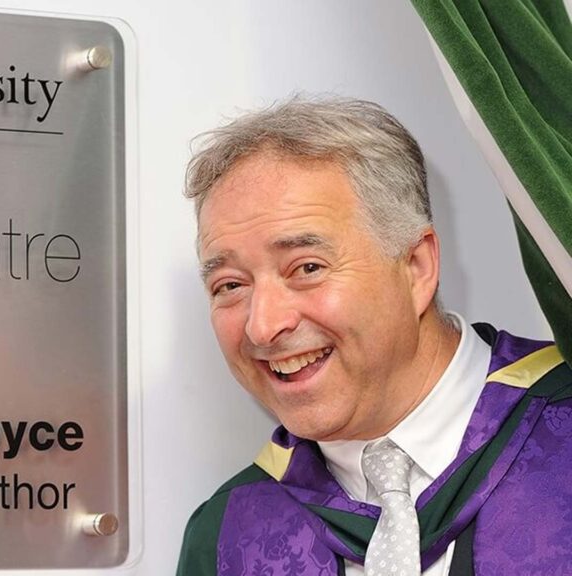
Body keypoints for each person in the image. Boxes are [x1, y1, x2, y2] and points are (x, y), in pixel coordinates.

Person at [176, 97, 572, 576]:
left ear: (416, 267)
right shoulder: (225, 539)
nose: (263, 325)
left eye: (307, 268)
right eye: (230, 286)